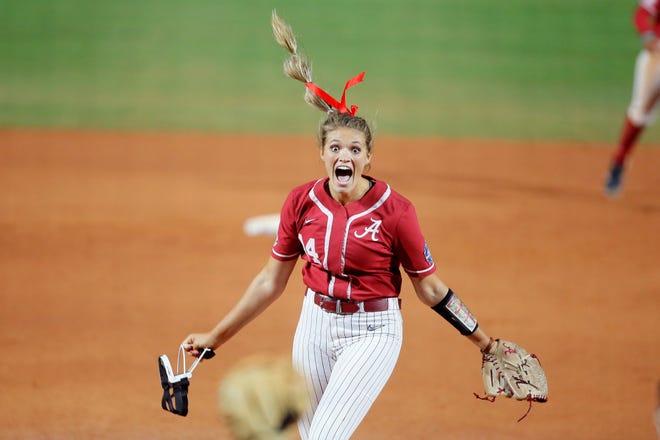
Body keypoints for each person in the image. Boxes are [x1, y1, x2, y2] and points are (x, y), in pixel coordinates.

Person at [182, 11, 499, 439]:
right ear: (323, 154)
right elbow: (269, 282)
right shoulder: (301, 201)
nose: (343, 155)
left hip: (373, 331)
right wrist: (214, 338)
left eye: (354, 148)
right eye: (335, 147)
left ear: (368, 158)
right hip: (314, 326)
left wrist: (485, 342)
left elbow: (431, 289)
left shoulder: (396, 211)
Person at [606, 0, 660, 196]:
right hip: (657, 58)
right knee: (640, 113)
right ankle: (619, 161)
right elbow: (641, 14)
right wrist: (647, 35)